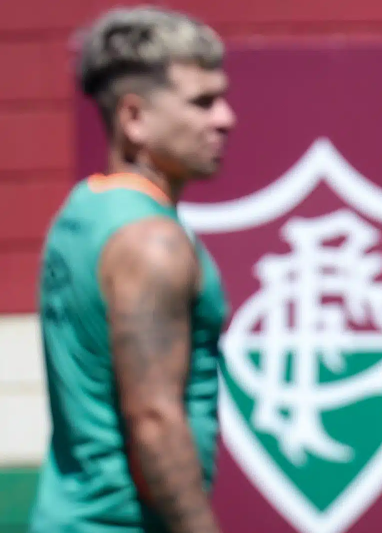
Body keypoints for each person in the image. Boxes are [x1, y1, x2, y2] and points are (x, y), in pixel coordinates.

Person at [29, 6, 236, 533]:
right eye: (202, 102)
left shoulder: (82, 211)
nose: (225, 118)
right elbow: (154, 420)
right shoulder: (152, 244)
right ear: (133, 118)